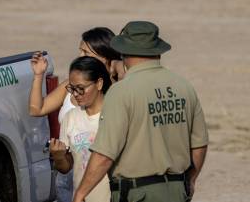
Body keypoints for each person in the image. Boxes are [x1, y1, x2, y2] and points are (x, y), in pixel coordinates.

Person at [72, 21, 209, 202]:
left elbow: (105, 153)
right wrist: (191, 179)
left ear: (124, 52)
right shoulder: (184, 87)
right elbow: (199, 144)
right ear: (157, 51)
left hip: (137, 193)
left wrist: (81, 193)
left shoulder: (121, 92)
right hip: (176, 190)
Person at [29, 27, 123, 202]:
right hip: (69, 180)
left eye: (86, 52)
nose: (80, 56)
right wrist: (38, 75)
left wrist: (115, 65)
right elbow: (37, 109)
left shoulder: (117, 96)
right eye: (80, 50)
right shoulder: (70, 88)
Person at [50, 56, 112, 202]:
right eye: (72, 88)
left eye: (81, 88)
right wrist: (59, 157)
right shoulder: (70, 117)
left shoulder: (114, 114)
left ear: (99, 83)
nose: (75, 94)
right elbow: (67, 166)